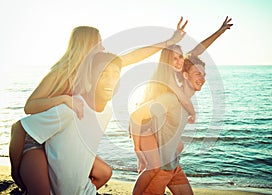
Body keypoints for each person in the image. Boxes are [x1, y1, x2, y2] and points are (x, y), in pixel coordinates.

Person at [9, 18, 188, 195]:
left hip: (62, 141)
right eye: (99, 44)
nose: (103, 48)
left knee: (103, 173)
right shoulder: (61, 72)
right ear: (86, 46)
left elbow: (134, 56)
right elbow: (30, 106)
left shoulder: (98, 68)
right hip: (38, 141)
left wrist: (169, 42)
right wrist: (63, 99)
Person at [130, 16, 233, 194]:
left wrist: (219, 31)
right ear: (166, 61)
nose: (179, 62)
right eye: (174, 59)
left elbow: (197, 51)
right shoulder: (164, 91)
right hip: (160, 166)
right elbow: (139, 119)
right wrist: (141, 154)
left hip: (173, 165)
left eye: (180, 58)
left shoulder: (179, 75)